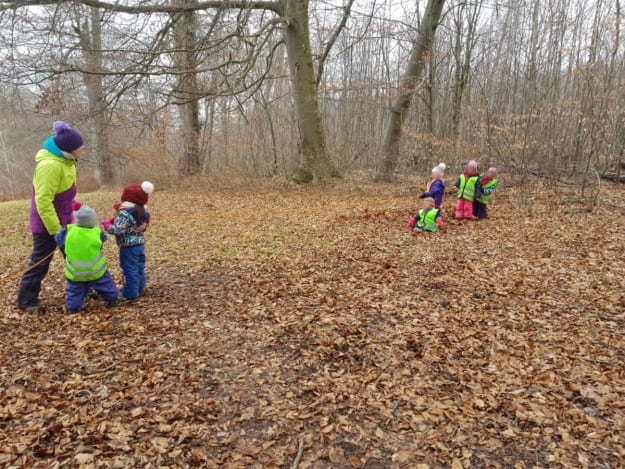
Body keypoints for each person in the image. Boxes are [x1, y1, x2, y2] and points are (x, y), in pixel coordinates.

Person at [17, 121, 85, 312]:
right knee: (40, 262)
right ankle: (27, 300)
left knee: (76, 256)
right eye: (81, 146)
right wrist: (56, 231)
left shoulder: (68, 161)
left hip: (65, 219)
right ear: (70, 149)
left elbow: (65, 193)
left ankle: (84, 290)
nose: (84, 148)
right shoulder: (49, 166)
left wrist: (75, 209)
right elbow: (43, 201)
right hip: (47, 224)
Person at [54, 204, 119, 314]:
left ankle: (73, 308)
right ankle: (113, 300)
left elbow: (58, 238)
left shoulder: (68, 230)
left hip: (75, 272)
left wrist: (64, 245)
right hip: (96, 270)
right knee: (106, 285)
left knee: (74, 290)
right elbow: (102, 241)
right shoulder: (97, 231)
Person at [103, 181, 154, 300]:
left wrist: (107, 226)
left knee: (129, 270)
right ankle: (139, 288)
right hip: (139, 246)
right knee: (139, 268)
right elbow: (142, 227)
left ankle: (130, 293)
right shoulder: (142, 212)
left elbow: (119, 230)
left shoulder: (124, 213)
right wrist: (116, 220)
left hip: (127, 248)